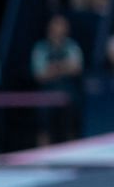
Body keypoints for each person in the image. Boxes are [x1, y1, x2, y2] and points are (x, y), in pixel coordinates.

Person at [29, 14, 84, 145]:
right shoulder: (40, 48)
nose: (58, 29)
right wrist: (64, 67)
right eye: (55, 25)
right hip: (47, 92)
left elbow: (76, 68)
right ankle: (42, 159)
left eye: (61, 26)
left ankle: (73, 155)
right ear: (49, 28)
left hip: (68, 91)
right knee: (43, 126)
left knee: (72, 122)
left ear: (66, 29)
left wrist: (54, 68)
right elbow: (39, 75)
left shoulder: (72, 46)